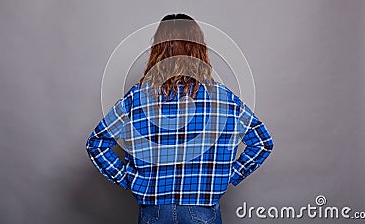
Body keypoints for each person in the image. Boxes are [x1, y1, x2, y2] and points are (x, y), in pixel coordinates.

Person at [85, 13, 274, 224]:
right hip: (202, 211)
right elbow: (262, 143)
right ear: (199, 49)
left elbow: (97, 144)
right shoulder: (223, 98)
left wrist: (129, 179)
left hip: (154, 212)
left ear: (158, 50)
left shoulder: (137, 97)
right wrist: (228, 176)